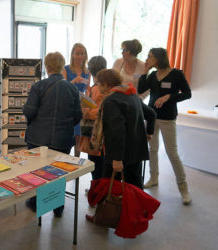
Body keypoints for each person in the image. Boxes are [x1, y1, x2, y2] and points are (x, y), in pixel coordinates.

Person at [85, 69, 155, 222]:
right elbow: (151, 114)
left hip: (119, 153)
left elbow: (117, 131)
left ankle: (103, 217)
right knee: (135, 185)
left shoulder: (111, 101)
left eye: (99, 84)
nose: (97, 86)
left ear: (106, 84)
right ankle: (138, 215)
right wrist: (149, 132)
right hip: (136, 150)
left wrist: (117, 159)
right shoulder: (131, 94)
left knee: (106, 185)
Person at [24, 52, 82, 217]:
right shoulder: (72, 88)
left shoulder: (38, 86)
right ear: (62, 66)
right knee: (58, 172)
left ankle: (35, 203)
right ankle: (57, 207)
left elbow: (29, 111)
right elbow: (78, 115)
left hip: (38, 139)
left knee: (37, 171)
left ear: (46, 67)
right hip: (63, 139)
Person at [138, 48, 192, 205]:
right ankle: (153, 178)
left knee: (172, 153)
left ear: (159, 58)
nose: (147, 59)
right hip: (151, 117)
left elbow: (187, 93)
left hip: (168, 118)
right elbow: (141, 90)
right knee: (152, 149)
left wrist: (169, 96)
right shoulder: (153, 75)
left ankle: (184, 189)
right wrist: (144, 72)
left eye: (150, 56)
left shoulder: (176, 74)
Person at [81, 56, 107, 181]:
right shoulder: (100, 86)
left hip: (96, 132)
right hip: (101, 133)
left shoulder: (98, 88)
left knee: (96, 165)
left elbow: (101, 111)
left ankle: (98, 190)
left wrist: (86, 112)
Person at [62, 43, 91, 157]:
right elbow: (63, 86)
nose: (80, 56)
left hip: (80, 105)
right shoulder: (66, 69)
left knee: (78, 136)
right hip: (68, 104)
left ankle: (77, 165)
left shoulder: (87, 71)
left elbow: (88, 89)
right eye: (77, 53)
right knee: (68, 135)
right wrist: (74, 81)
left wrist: (87, 98)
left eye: (82, 54)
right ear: (73, 54)